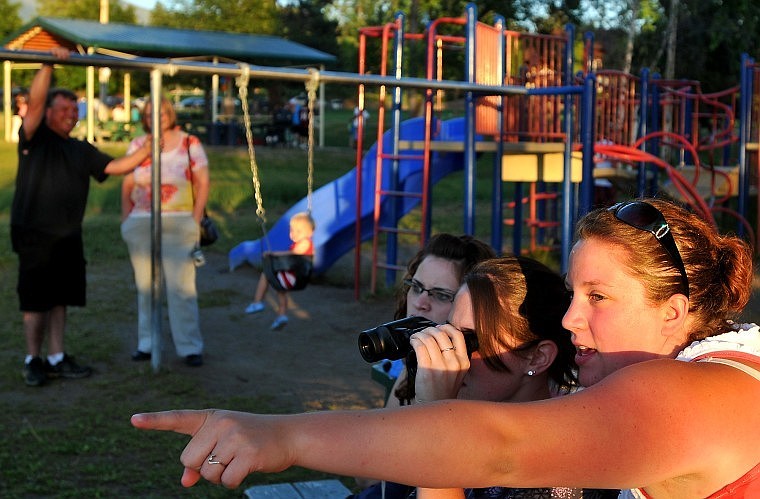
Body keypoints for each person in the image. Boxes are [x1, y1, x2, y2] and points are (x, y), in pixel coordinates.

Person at [132, 197, 760, 498]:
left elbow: (502, 449)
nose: (570, 319)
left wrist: (284, 437)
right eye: (572, 293)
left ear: (675, 311)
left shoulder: (699, 393)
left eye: (599, 298)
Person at [357, 256, 617, 499]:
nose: (453, 351)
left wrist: (434, 416)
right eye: (449, 331)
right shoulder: (470, 425)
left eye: (471, 340)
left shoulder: (558, 467)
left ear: (537, 358)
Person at [11, 48, 152, 387]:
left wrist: (151, 147)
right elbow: (34, 103)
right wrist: (48, 64)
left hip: (68, 235)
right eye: (63, 109)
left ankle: (58, 357)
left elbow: (115, 167)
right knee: (36, 301)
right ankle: (34, 359)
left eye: (75, 109)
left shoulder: (81, 148)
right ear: (47, 114)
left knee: (61, 298)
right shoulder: (35, 139)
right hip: (34, 233)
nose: (71, 114)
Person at [352, 233, 496, 496]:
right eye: (416, 287)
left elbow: (375, 468)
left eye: (441, 295)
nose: (420, 302)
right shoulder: (417, 363)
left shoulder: (480, 381)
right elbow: (370, 473)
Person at [121, 97, 209, 367]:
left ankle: (189, 347)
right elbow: (126, 184)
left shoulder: (189, 143)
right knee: (146, 286)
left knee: (181, 287)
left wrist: (195, 219)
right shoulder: (138, 145)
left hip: (179, 219)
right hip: (141, 221)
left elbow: (202, 183)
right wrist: (126, 219)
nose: (154, 118)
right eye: (148, 114)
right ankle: (147, 343)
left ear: (169, 113)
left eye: (159, 112)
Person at [244, 211, 315, 330]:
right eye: (292, 230)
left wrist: (273, 254)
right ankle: (281, 316)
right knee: (280, 290)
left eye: (298, 231)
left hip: (296, 277)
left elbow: (294, 253)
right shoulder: (301, 243)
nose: (294, 234)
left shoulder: (305, 243)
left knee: (267, 273)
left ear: (310, 232)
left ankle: (257, 302)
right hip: (292, 276)